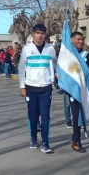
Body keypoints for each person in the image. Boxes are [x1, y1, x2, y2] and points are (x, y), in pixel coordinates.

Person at [18, 23, 56, 153]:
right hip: (31, 88)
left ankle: (46, 143)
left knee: (45, 116)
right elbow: (21, 68)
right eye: (37, 33)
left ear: (45, 35)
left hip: (46, 88)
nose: (40, 35)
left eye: (42, 33)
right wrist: (22, 86)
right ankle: (33, 138)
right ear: (33, 34)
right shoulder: (27, 49)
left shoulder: (50, 49)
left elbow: (55, 64)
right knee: (33, 115)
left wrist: (55, 78)